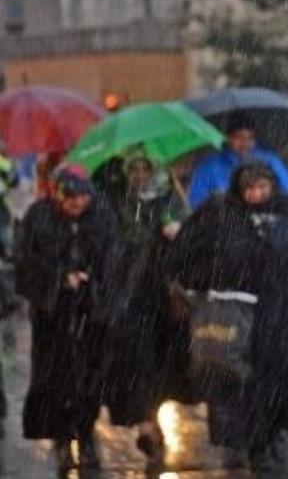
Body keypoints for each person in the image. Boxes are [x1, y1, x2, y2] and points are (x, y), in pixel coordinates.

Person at [166, 160, 288, 473]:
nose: (256, 194)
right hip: (239, 314)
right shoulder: (219, 213)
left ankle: (275, 433)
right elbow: (185, 252)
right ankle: (253, 445)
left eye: (262, 188)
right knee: (242, 381)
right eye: (250, 189)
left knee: (286, 377)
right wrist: (196, 283)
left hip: (283, 312)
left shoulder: (287, 211)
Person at [13, 165, 113, 471]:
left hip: (91, 311)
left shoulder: (101, 217)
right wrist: (58, 278)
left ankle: (85, 434)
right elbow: (25, 260)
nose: (77, 204)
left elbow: (114, 256)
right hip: (52, 314)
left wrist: (93, 279)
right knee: (55, 376)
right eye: (70, 197)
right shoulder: (38, 216)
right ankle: (60, 437)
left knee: (90, 376)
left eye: (82, 197)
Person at [99, 155, 186, 466]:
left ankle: (153, 417)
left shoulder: (169, 198)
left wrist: (175, 230)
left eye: (144, 169)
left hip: (164, 295)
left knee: (166, 362)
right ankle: (147, 424)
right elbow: (111, 241)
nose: (138, 175)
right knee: (137, 361)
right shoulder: (116, 200)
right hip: (129, 293)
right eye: (133, 170)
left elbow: (187, 240)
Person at [187, 112, 288, 208]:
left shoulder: (270, 161)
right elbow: (196, 203)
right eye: (239, 137)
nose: (245, 143)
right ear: (227, 138)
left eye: (250, 138)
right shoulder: (209, 167)